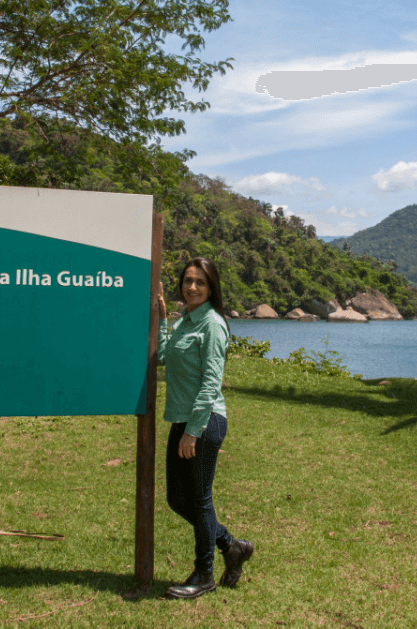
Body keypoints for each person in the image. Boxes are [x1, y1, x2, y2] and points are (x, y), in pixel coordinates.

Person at [156, 256, 254, 599]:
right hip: (182, 418)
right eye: (188, 281)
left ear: (211, 287)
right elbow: (164, 356)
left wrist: (193, 431)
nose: (192, 287)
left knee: (199, 500)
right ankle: (231, 546)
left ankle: (204, 575)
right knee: (177, 499)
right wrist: (162, 318)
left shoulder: (212, 323)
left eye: (199, 282)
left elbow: (212, 382)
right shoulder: (186, 319)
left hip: (204, 420)